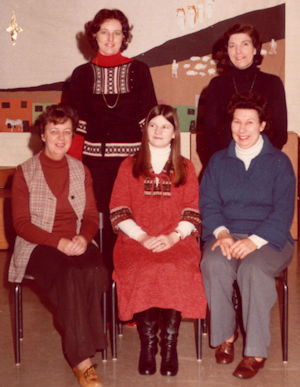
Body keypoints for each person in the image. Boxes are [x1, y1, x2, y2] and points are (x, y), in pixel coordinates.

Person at [8, 104, 109, 387]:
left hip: (76, 240)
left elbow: (90, 216)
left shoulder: (81, 170)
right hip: (39, 245)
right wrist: (58, 242)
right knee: (69, 276)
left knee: (93, 269)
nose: (61, 138)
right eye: (55, 131)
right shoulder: (24, 172)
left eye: (67, 132)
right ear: (42, 134)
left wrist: (83, 238)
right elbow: (22, 224)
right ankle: (83, 362)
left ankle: (84, 343)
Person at [199, 91, 295, 379]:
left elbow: (283, 213)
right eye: (237, 122)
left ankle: (255, 351)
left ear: (263, 125)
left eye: (249, 122)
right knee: (213, 263)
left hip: (269, 239)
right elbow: (208, 203)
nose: (241, 129)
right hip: (227, 233)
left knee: (252, 270)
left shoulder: (279, 163)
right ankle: (226, 337)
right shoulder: (218, 161)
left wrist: (253, 241)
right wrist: (223, 233)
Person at [109, 104, 207, 377]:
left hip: (176, 240)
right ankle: (148, 346)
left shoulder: (185, 167)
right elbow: (119, 208)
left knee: (174, 269)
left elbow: (192, 210)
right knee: (144, 269)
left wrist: (172, 236)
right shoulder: (128, 165)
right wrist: (143, 237)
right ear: (145, 130)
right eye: (153, 125)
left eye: (165, 126)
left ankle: (170, 346)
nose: (159, 131)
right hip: (135, 240)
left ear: (175, 132)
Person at [68, 8, 157, 271]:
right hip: (95, 166)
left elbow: (151, 124)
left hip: (133, 164)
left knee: (133, 224)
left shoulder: (139, 70)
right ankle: (104, 293)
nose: (110, 39)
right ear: (94, 35)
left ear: (124, 37)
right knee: (101, 229)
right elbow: (76, 128)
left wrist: (150, 166)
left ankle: (131, 295)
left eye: (117, 33)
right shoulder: (81, 74)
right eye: (104, 32)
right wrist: (75, 172)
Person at [197, 23, 287, 166]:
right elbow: (209, 135)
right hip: (226, 164)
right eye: (232, 45)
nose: (238, 51)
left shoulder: (273, 83)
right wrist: (223, 166)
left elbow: (280, 134)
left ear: (255, 49)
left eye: (244, 44)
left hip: (264, 164)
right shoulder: (216, 85)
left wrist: (261, 164)